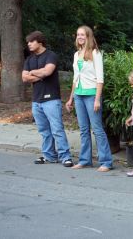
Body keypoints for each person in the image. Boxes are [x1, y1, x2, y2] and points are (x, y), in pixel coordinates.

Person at [22, 31, 73, 167]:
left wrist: (33, 72)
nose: (29, 44)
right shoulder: (29, 59)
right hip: (36, 101)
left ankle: (65, 157)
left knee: (57, 129)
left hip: (51, 99)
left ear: (39, 41)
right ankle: (49, 156)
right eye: (28, 42)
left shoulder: (51, 55)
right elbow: (24, 78)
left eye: (31, 41)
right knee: (44, 131)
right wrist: (40, 74)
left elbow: (48, 71)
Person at [65, 25, 113, 172]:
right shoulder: (76, 54)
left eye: (82, 35)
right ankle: (85, 160)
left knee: (97, 129)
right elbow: (75, 78)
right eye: (78, 35)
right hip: (79, 95)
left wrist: (97, 99)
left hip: (91, 95)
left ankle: (106, 162)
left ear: (88, 37)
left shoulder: (95, 53)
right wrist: (70, 98)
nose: (79, 37)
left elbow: (100, 79)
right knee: (84, 130)